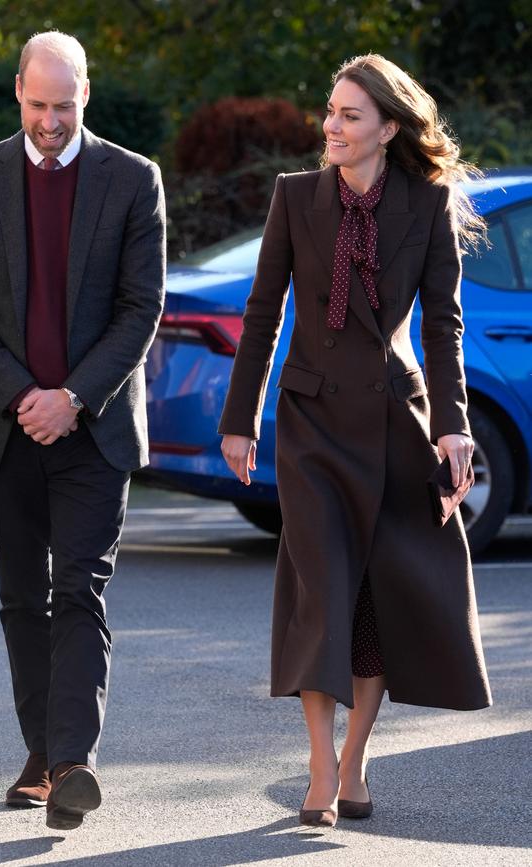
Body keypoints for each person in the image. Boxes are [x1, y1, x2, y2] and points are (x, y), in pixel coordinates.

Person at [219, 53, 491, 828]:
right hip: (309, 426)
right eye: (330, 112)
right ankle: (316, 764)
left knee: (371, 600)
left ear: (388, 128)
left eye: (349, 115)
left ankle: (355, 757)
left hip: (391, 427)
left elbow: (444, 326)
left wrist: (454, 426)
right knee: (320, 593)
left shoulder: (426, 204)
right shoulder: (295, 197)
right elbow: (263, 311)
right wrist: (241, 420)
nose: (331, 127)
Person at [0, 31, 165, 831]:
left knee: (79, 590)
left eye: (64, 106)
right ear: (18, 95)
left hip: (94, 432)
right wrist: (25, 395)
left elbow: (142, 308)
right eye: (38, 105)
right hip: (6, 429)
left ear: (86, 96)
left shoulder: (134, 179)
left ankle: (70, 763)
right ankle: (44, 752)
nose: (50, 121)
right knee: (19, 598)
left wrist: (71, 396)